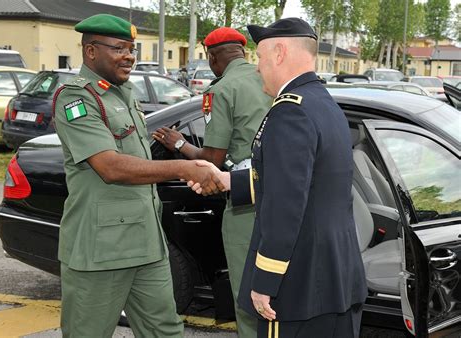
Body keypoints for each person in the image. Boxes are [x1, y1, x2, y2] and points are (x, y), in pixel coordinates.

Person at [191, 17, 367, 338]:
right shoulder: (323, 103)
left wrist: (266, 282)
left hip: (297, 286)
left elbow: (285, 206)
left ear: (280, 53)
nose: (256, 67)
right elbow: (308, 183)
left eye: (259, 57)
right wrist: (231, 181)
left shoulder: (290, 112)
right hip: (335, 278)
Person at [53, 14, 224, 337]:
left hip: (146, 242)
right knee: (87, 332)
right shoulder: (77, 98)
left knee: (165, 329)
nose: (130, 56)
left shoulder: (125, 92)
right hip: (101, 250)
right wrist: (183, 167)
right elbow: (110, 166)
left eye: (132, 49)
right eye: (119, 48)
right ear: (91, 52)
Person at [152, 27, 271, 337]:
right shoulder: (269, 78)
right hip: (281, 191)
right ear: (243, 52)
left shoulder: (221, 90)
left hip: (247, 198)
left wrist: (178, 145)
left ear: (213, 56)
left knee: (249, 293)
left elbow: (212, 159)